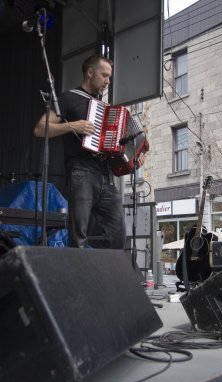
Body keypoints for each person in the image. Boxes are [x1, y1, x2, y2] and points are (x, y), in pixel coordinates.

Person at [34, 54, 145, 249]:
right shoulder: (68, 98)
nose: (107, 81)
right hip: (81, 173)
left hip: (105, 176)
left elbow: (114, 148)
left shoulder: (106, 108)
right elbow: (40, 128)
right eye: (104, 76)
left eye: (109, 77)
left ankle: (107, 277)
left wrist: (133, 159)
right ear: (90, 72)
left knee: (118, 234)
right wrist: (72, 126)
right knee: (79, 235)